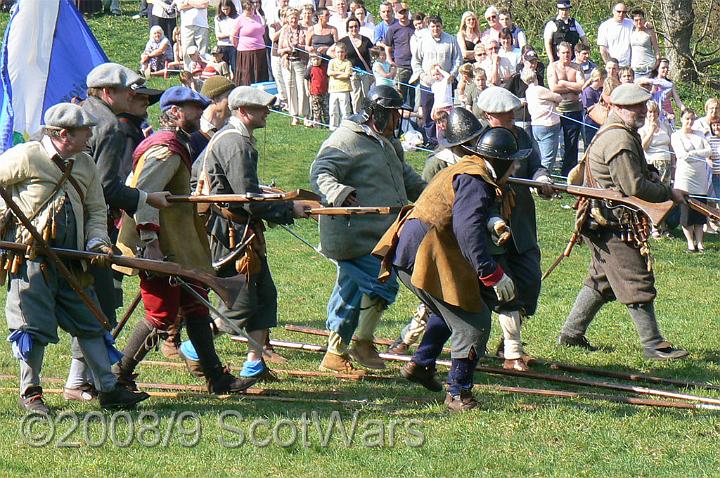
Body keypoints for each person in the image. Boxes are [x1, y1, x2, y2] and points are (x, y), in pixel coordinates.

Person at [3, 103, 150, 412]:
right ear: (63, 135)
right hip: (31, 259)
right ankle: (31, 393)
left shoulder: (85, 163)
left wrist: (98, 243)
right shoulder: (26, 156)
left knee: (91, 323)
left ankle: (108, 390)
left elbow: (97, 209)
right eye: (86, 131)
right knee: (33, 327)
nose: (91, 136)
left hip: (74, 262)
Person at [374, 120, 531, 410]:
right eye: (513, 163)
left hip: (417, 248)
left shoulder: (470, 169)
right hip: (424, 252)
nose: (517, 169)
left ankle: (421, 364)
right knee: (474, 320)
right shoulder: (476, 179)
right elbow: (467, 229)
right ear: (499, 161)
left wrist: (491, 219)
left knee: (451, 308)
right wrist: (491, 273)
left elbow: (464, 211)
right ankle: (458, 392)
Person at [114, 86, 259, 394]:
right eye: (193, 108)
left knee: (195, 308)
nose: (200, 112)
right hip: (159, 246)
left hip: (178, 246)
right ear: (176, 112)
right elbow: (143, 197)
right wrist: (150, 242)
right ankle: (119, 375)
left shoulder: (176, 143)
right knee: (160, 314)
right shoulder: (164, 148)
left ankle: (217, 379)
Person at [558, 83, 689, 360]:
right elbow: (633, 186)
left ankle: (570, 334)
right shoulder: (619, 139)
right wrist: (669, 193)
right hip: (612, 224)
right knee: (636, 280)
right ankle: (653, 344)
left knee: (601, 281)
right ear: (617, 108)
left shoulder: (620, 133)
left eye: (642, 105)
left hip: (605, 221)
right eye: (634, 106)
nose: (641, 110)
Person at [191, 86, 312, 380]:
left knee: (264, 295)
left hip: (240, 230)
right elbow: (247, 200)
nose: (267, 113)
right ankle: (194, 348)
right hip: (229, 232)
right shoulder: (235, 143)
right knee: (241, 301)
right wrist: (287, 209)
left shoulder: (232, 138)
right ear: (243, 112)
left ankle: (254, 363)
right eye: (261, 109)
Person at [310, 84, 426, 375]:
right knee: (379, 284)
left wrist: (434, 197)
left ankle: (344, 349)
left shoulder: (388, 142)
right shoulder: (346, 139)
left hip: (381, 235)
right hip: (353, 234)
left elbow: (407, 177)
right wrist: (338, 191)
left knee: (353, 290)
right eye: (392, 114)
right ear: (375, 113)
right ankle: (355, 344)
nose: (397, 120)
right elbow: (320, 172)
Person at [411, 15, 462, 148]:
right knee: (428, 113)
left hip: (445, 85)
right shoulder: (422, 41)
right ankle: (431, 140)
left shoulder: (451, 40)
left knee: (446, 112)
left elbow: (457, 59)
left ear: (442, 26)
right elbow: (415, 61)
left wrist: (452, 74)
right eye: (432, 26)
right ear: (429, 27)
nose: (435, 29)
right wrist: (421, 75)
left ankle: (446, 137)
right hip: (427, 83)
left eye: (438, 26)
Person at [672, 109, 713, 252]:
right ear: (681, 119)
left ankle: (700, 242)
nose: (690, 122)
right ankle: (690, 243)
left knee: (701, 211)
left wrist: (693, 153)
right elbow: (682, 155)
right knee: (687, 211)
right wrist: (697, 154)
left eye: (692, 119)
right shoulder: (676, 136)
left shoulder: (700, 134)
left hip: (700, 177)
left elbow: (709, 151)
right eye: (687, 119)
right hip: (685, 178)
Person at [547, 41, 585, 176]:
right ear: (558, 54)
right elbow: (554, 87)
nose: (566, 55)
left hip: (574, 109)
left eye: (568, 52)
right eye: (563, 53)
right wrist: (572, 87)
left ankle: (568, 173)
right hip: (558, 109)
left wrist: (563, 83)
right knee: (553, 142)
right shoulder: (552, 67)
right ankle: (549, 171)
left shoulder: (577, 67)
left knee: (572, 143)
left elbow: (582, 86)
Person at [639, 101, 674, 238]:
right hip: (652, 164)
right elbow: (643, 146)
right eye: (650, 112)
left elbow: (671, 146)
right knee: (653, 195)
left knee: (665, 195)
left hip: (666, 163)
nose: (652, 115)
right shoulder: (642, 127)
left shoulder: (665, 126)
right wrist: (651, 131)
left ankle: (663, 226)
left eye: (655, 112)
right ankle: (653, 226)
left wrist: (674, 164)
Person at [188, 75, 235, 161]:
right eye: (229, 97)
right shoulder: (194, 134)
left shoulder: (231, 131)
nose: (234, 102)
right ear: (213, 99)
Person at [526, 68, 563, 171]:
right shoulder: (539, 89)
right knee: (548, 158)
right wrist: (554, 102)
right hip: (548, 125)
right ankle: (544, 180)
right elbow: (558, 97)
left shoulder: (528, 91)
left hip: (536, 125)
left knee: (542, 156)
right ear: (535, 77)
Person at [335, 16, 374, 115]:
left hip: (365, 72)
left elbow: (374, 53)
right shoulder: (344, 41)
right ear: (347, 28)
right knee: (355, 96)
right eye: (351, 27)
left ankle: (367, 115)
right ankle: (357, 116)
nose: (354, 29)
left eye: (356, 26)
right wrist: (342, 62)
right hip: (352, 73)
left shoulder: (366, 40)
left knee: (366, 95)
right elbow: (330, 51)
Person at [278, 7, 310, 125]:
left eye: (295, 18)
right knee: (290, 88)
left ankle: (306, 115)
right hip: (288, 62)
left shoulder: (304, 30)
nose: (294, 20)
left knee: (302, 88)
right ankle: (294, 115)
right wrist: (287, 49)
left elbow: (307, 46)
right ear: (287, 19)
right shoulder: (284, 31)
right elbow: (279, 50)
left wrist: (299, 47)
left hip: (300, 61)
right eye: (291, 18)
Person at [232, 0, 269, 86]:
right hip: (246, 51)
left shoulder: (258, 18)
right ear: (244, 10)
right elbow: (233, 36)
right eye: (248, 10)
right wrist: (238, 46)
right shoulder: (239, 20)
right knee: (247, 75)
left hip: (260, 51)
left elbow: (262, 30)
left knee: (260, 74)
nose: (251, 11)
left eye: (252, 9)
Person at [384, 3, 414, 107]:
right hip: (401, 67)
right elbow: (387, 47)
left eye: (405, 12)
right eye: (400, 12)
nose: (403, 15)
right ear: (396, 14)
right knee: (400, 97)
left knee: (415, 98)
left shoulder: (414, 26)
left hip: (416, 66)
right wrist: (390, 60)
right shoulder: (392, 29)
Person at [650, 59, 686, 126]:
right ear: (657, 69)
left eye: (667, 68)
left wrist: (685, 110)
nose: (666, 70)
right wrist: (665, 113)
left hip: (669, 113)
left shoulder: (670, 83)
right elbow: (653, 100)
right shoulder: (653, 82)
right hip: (657, 113)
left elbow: (677, 100)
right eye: (663, 68)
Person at [597, 3, 633, 67]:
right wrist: (609, 65)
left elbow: (643, 27)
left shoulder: (631, 23)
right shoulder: (605, 26)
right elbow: (603, 50)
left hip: (628, 66)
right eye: (619, 11)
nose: (621, 14)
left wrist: (648, 26)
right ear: (613, 11)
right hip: (613, 66)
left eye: (624, 12)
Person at [327, 42, 353, 129]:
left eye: (342, 52)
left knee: (345, 110)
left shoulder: (348, 63)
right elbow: (329, 72)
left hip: (344, 89)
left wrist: (336, 75)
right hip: (333, 89)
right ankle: (333, 127)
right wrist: (340, 73)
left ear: (345, 53)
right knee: (333, 110)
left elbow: (347, 75)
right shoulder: (332, 62)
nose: (340, 54)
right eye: (338, 52)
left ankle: (345, 127)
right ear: (335, 52)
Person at [177, 0, 209, 70]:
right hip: (186, 25)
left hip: (202, 24)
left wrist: (188, 2)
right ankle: (188, 74)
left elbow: (204, 4)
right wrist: (197, 4)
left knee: (202, 50)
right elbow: (180, 6)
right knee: (186, 51)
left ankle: (203, 72)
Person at [629, 8, 659, 79]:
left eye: (641, 19)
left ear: (644, 20)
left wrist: (657, 63)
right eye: (636, 20)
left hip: (649, 66)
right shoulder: (631, 33)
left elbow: (656, 49)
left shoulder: (650, 32)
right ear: (633, 21)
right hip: (635, 68)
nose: (639, 22)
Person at [215, 0, 239, 76]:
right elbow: (218, 35)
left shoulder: (237, 17)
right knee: (223, 68)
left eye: (227, 9)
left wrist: (229, 35)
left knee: (235, 68)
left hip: (233, 46)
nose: (225, 11)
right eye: (223, 9)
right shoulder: (218, 18)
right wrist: (230, 34)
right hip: (222, 46)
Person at [581, 67, 606, 145]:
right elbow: (590, 108)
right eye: (604, 78)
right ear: (599, 79)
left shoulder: (602, 89)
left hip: (601, 124)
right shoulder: (588, 91)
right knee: (590, 145)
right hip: (591, 124)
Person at [306, 53, 330, 127]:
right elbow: (306, 79)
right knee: (316, 109)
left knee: (326, 108)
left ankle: (327, 123)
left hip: (324, 91)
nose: (316, 61)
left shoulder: (325, 67)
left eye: (318, 59)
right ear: (311, 60)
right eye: (314, 60)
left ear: (321, 59)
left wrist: (329, 87)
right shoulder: (310, 68)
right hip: (315, 92)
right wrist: (307, 89)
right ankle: (318, 123)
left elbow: (328, 78)